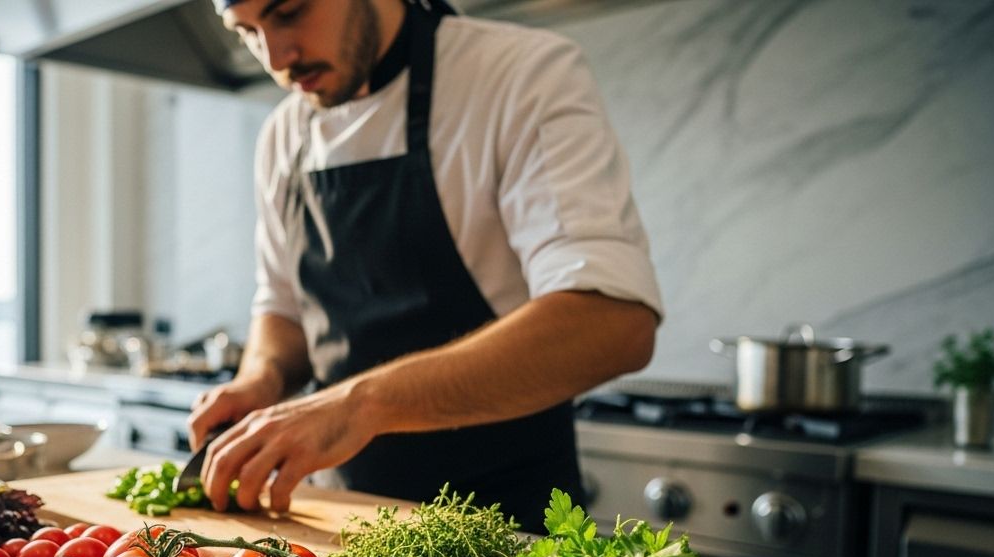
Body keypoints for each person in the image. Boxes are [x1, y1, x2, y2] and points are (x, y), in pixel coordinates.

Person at [188, 0, 663, 524]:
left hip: (509, 534)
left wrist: (359, 406)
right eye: (247, 33)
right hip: (341, 528)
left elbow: (613, 322)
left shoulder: (518, 75)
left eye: (290, 12)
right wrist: (262, 379)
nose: (277, 58)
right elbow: (282, 308)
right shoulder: (284, 135)